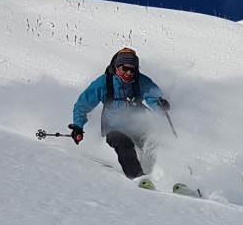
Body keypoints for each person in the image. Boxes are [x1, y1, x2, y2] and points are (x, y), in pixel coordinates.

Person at [69, 48, 170, 179]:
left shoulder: (140, 81)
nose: (129, 73)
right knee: (124, 142)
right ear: (117, 67)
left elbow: (155, 98)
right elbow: (82, 105)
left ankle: (169, 175)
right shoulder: (104, 83)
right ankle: (138, 177)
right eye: (125, 68)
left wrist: (161, 105)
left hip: (138, 125)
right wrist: (78, 126)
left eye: (132, 69)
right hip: (113, 127)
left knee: (155, 142)